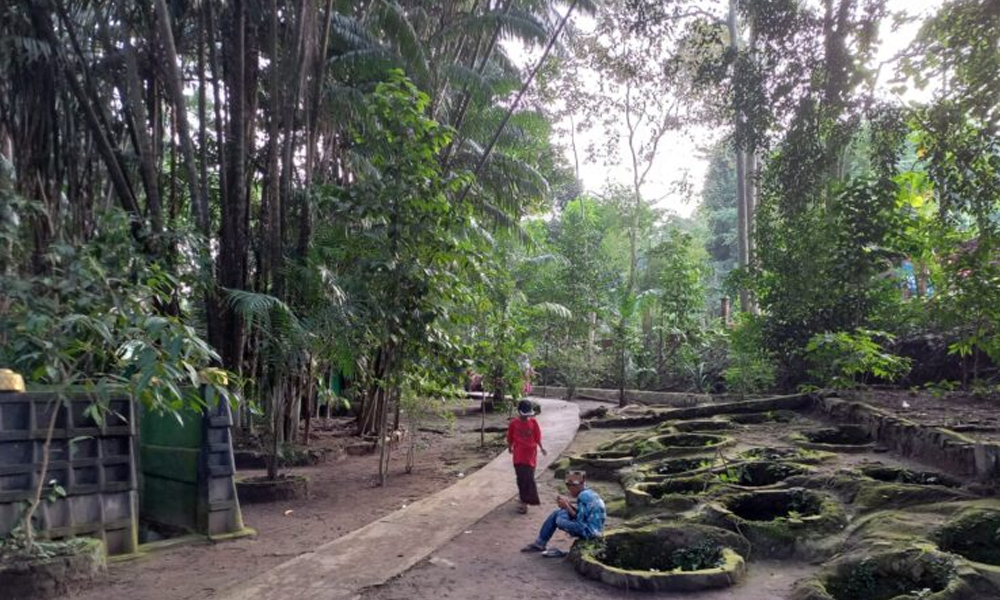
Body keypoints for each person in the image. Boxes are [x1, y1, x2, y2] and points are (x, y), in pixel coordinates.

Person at [521, 470, 605, 557]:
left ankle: (540, 543)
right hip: (594, 529)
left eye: (569, 487)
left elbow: (580, 521)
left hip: (589, 532)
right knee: (557, 513)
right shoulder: (589, 493)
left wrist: (566, 507)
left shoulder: (583, 496)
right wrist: (569, 505)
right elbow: (582, 514)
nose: (569, 490)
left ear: (576, 486)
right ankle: (539, 544)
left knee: (559, 518)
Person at [507, 399, 547, 514]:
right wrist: (510, 447)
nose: (526, 417)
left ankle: (525, 500)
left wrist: (541, 447)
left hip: (530, 455)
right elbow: (510, 437)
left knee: (529, 477)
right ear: (519, 412)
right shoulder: (513, 423)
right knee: (521, 477)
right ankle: (523, 500)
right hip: (518, 454)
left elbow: (537, 436)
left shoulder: (533, 423)